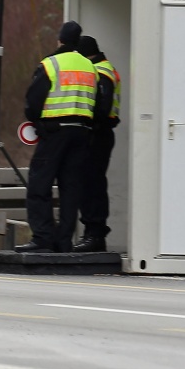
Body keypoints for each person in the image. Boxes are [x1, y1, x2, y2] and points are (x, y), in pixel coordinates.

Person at [15, 20, 98, 253]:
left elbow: (32, 103)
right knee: (70, 187)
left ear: (60, 40)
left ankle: (42, 238)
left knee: (40, 183)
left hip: (54, 132)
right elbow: (100, 104)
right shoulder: (90, 67)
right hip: (82, 132)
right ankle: (64, 241)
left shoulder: (51, 64)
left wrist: (39, 124)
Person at [74, 35, 120, 253]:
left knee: (92, 185)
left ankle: (94, 234)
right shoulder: (104, 68)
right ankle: (93, 233)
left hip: (97, 133)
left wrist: (89, 123)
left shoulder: (100, 71)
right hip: (99, 133)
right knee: (90, 183)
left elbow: (102, 107)